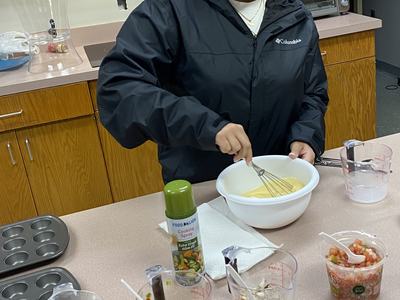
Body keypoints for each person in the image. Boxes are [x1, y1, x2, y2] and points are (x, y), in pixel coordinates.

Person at [97, 0, 329, 184]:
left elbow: (313, 92)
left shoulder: (295, 14)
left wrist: (307, 136)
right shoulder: (169, 10)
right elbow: (118, 89)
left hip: (280, 183)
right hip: (204, 189)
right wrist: (206, 126)